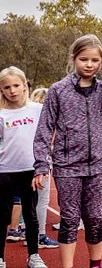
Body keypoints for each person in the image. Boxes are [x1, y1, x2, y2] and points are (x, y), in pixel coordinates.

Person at [33, 34, 102, 268]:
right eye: (84, 59)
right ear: (74, 58)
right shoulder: (58, 90)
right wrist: (42, 164)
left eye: (95, 60)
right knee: (70, 219)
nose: (89, 64)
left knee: (94, 218)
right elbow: (44, 129)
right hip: (67, 167)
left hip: (96, 165)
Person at [0, 66, 49, 268]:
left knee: (31, 214)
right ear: (1, 90)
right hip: (4, 170)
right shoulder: (1, 113)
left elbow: (48, 135)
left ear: (25, 85)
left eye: (16, 85)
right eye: (7, 87)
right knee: (2, 215)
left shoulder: (37, 110)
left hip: (31, 169)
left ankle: (33, 256)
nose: (12, 91)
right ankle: (0, 259)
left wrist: (43, 163)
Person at [26, 88, 59, 250]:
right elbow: (51, 137)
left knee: (25, 200)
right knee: (41, 200)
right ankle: (39, 235)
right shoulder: (45, 114)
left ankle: (25, 230)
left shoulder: (27, 112)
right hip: (40, 160)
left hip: (22, 160)